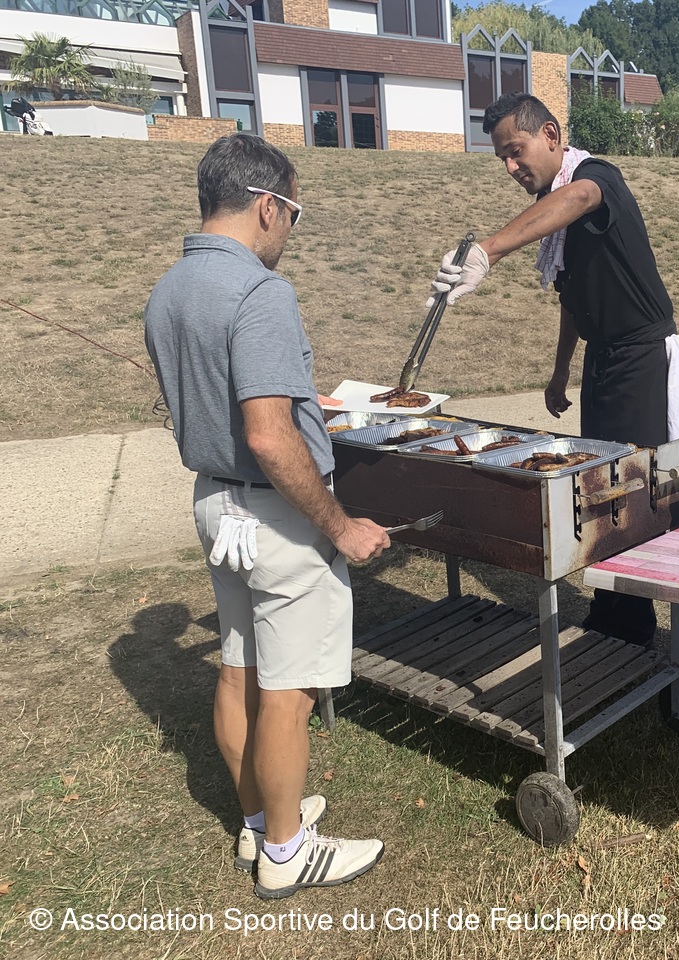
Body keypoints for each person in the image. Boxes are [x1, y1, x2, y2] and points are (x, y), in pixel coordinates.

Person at [144, 133, 390, 900]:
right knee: (290, 688)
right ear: (266, 206)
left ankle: (259, 820)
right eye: (294, 213)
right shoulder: (260, 292)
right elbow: (268, 436)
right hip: (276, 513)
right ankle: (287, 852)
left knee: (240, 668)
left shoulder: (169, 288)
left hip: (217, 504)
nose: (290, 229)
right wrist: (340, 527)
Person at [433, 93, 679, 649]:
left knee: (634, 493)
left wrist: (488, 251)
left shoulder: (595, 178)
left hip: (641, 357)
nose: (511, 167)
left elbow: (580, 195)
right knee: (597, 485)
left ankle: (636, 630)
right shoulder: (556, 216)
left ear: (551, 135)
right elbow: (572, 301)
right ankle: (611, 613)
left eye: (516, 151)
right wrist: (560, 373)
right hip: (603, 358)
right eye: (502, 158)